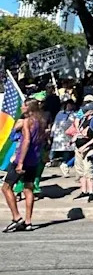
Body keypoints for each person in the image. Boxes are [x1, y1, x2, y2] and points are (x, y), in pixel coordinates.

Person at [2, 99, 44, 232]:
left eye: (24, 105)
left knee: (6, 187)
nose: (21, 107)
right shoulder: (41, 122)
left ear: (29, 108)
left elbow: (26, 141)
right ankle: (28, 221)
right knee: (28, 188)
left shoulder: (27, 122)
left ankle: (16, 217)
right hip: (34, 160)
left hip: (23, 159)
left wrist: (20, 162)